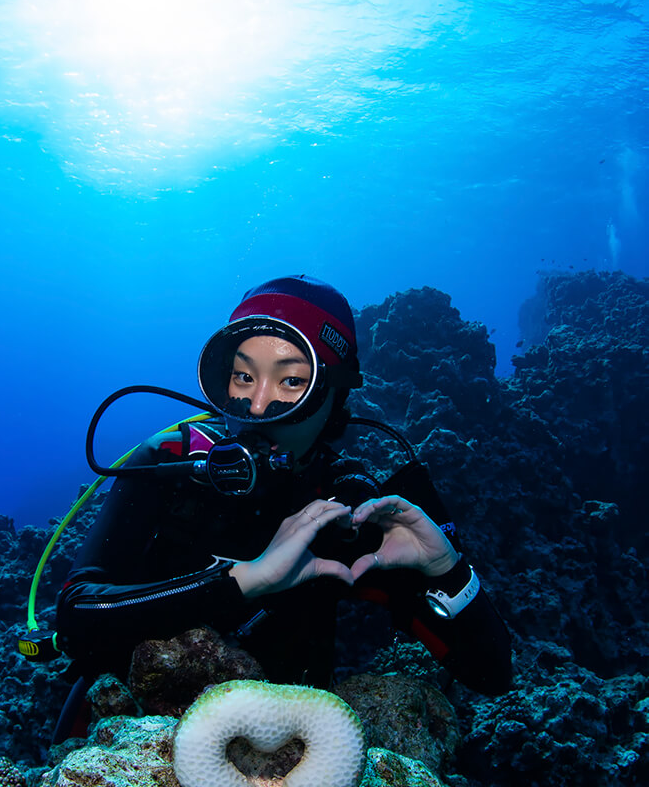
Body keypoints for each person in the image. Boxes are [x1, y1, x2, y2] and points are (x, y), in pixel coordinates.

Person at [54, 276, 511, 736]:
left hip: (287, 766)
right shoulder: (172, 463)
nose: (256, 406)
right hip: (116, 745)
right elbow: (75, 616)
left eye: (292, 380)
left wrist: (448, 573)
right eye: (243, 376)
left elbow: (490, 674)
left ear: (335, 394)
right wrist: (241, 583)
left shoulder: (347, 511)